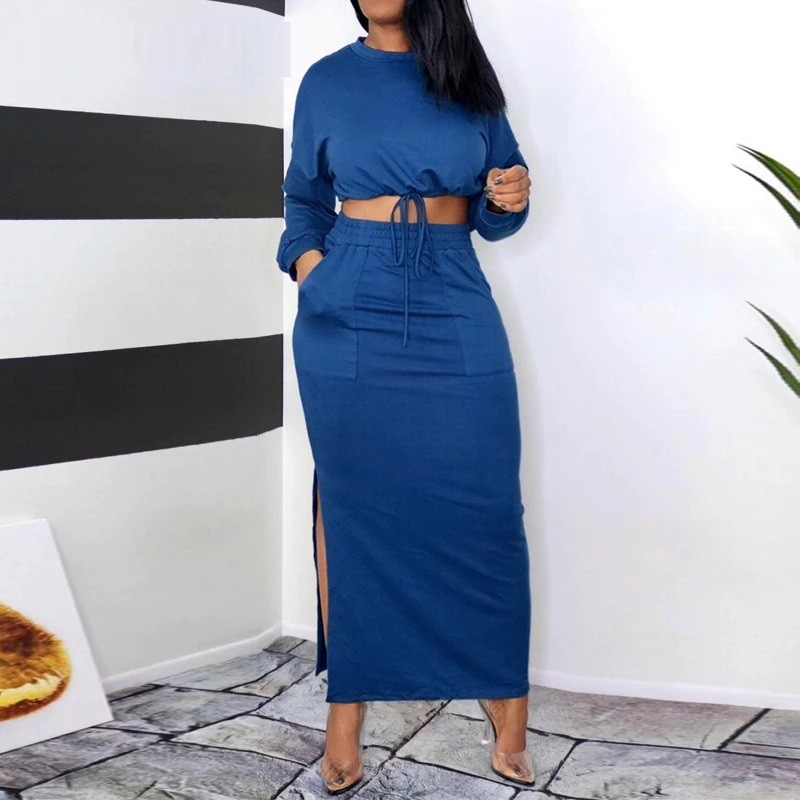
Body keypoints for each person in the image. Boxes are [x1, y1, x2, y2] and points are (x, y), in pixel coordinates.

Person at [276, 0, 534, 793]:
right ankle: (345, 712)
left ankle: (505, 698)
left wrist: (509, 196)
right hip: (351, 296)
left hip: (452, 287)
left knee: (486, 504)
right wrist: (314, 271)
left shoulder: (468, 78)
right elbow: (302, 201)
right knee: (353, 504)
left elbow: (500, 207)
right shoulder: (326, 80)